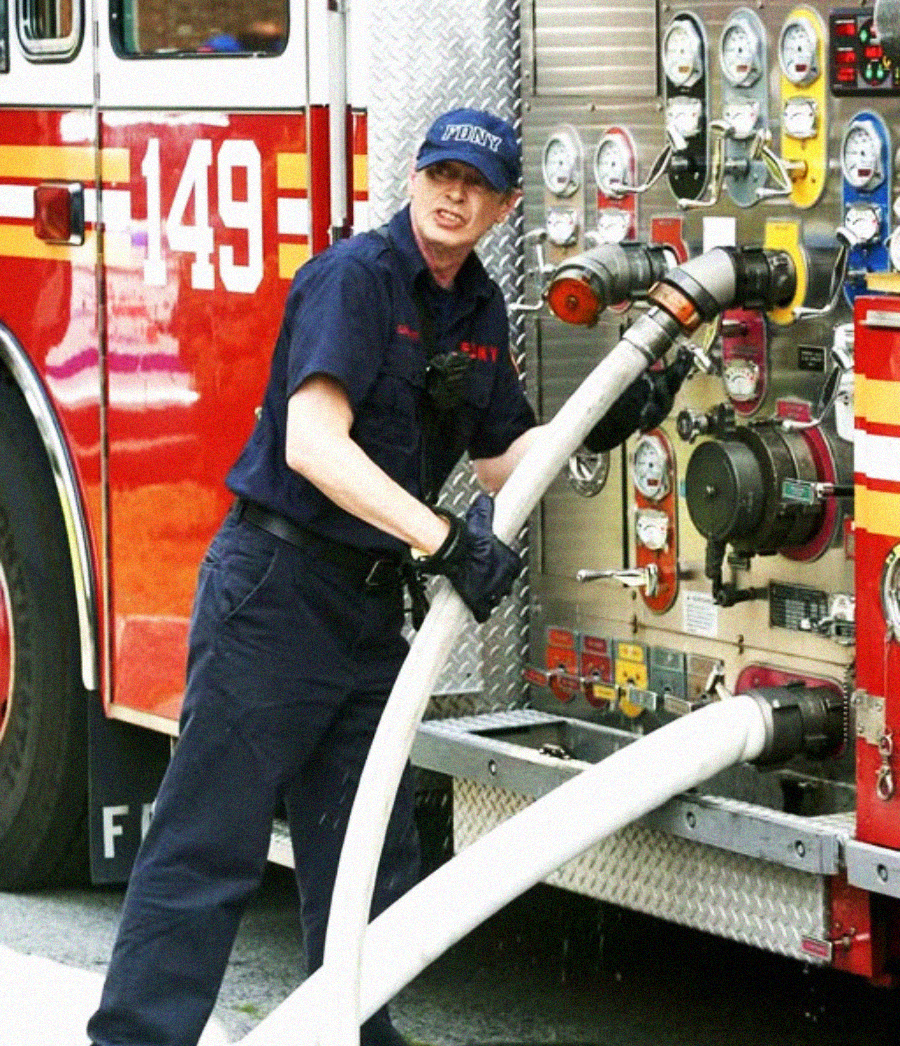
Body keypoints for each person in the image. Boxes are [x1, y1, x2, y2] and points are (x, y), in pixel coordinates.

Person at [87, 107, 686, 1046]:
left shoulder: (479, 308)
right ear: (414, 178)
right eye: (441, 173)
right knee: (209, 843)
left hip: (367, 615)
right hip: (275, 594)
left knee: (366, 852)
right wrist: (443, 540)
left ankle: (352, 1031)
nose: (454, 194)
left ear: (503, 205)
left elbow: (500, 461)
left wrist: (603, 420)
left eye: (476, 184)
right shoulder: (352, 281)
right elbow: (313, 445)